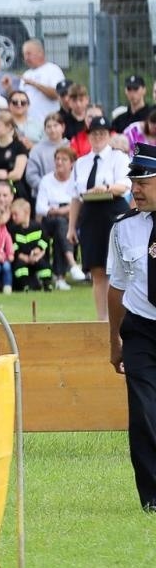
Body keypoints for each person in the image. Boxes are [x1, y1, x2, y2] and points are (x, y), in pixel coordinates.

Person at [107, 142, 156, 511]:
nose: (136, 188)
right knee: (142, 411)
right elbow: (116, 286)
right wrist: (114, 342)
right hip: (140, 328)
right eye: (134, 180)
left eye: (145, 181)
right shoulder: (123, 228)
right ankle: (152, 497)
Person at [70, 115, 132, 321]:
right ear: (88, 136)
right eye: (94, 134)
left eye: (102, 134)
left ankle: (121, 318)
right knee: (97, 270)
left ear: (109, 135)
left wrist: (105, 188)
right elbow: (75, 197)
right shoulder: (81, 162)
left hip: (113, 212)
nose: (98, 137)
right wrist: (71, 227)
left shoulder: (119, 158)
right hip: (90, 216)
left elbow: (124, 185)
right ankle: (102, 319)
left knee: (118, 270)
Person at [34, 144, 79, 289]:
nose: (59, 162)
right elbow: (40, 207)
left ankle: (61, 276)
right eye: (57, 159)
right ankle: (70, 266)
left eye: (64, 159)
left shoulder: (77, 179)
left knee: (63, 227)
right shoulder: (46, 180)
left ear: (72, 163)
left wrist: (64, 210)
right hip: (50, 219)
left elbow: (80, 201)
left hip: (71, 217)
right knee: (61, 224)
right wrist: (59, 211)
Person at [8, 196, 52, 292]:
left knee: (44, 265)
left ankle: (47, 284)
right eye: (12, 215)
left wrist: (38, 250)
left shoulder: (37, 226)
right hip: (22, 257)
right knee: (20, 267)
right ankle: (25, 285)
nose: (13, 217)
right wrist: (21, 255)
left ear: (26, 213)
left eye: (16, 214)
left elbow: (45, 240)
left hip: (36, 256)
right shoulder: (13, 229)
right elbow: (13, 245)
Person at [19, 40, 64, 133]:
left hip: (50, 125)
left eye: (29, 54)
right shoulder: (26, 74)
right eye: (24, 54)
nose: (26, 58)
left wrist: (35, 84)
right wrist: (9, 88)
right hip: (29, 126)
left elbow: (56, 94)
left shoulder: (52, 70)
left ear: (40, 53)